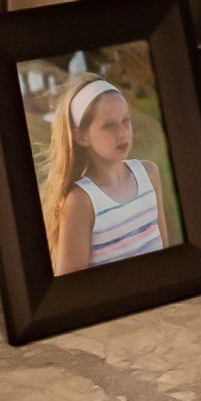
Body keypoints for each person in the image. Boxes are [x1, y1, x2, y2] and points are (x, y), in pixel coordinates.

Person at [41, 75, 170, 275]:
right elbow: (70, 285)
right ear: (81, 136)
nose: (122, 133)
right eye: (109, 125)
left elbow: (165, 253)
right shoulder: (81, 201)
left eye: (126, 121)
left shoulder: (149, 173)